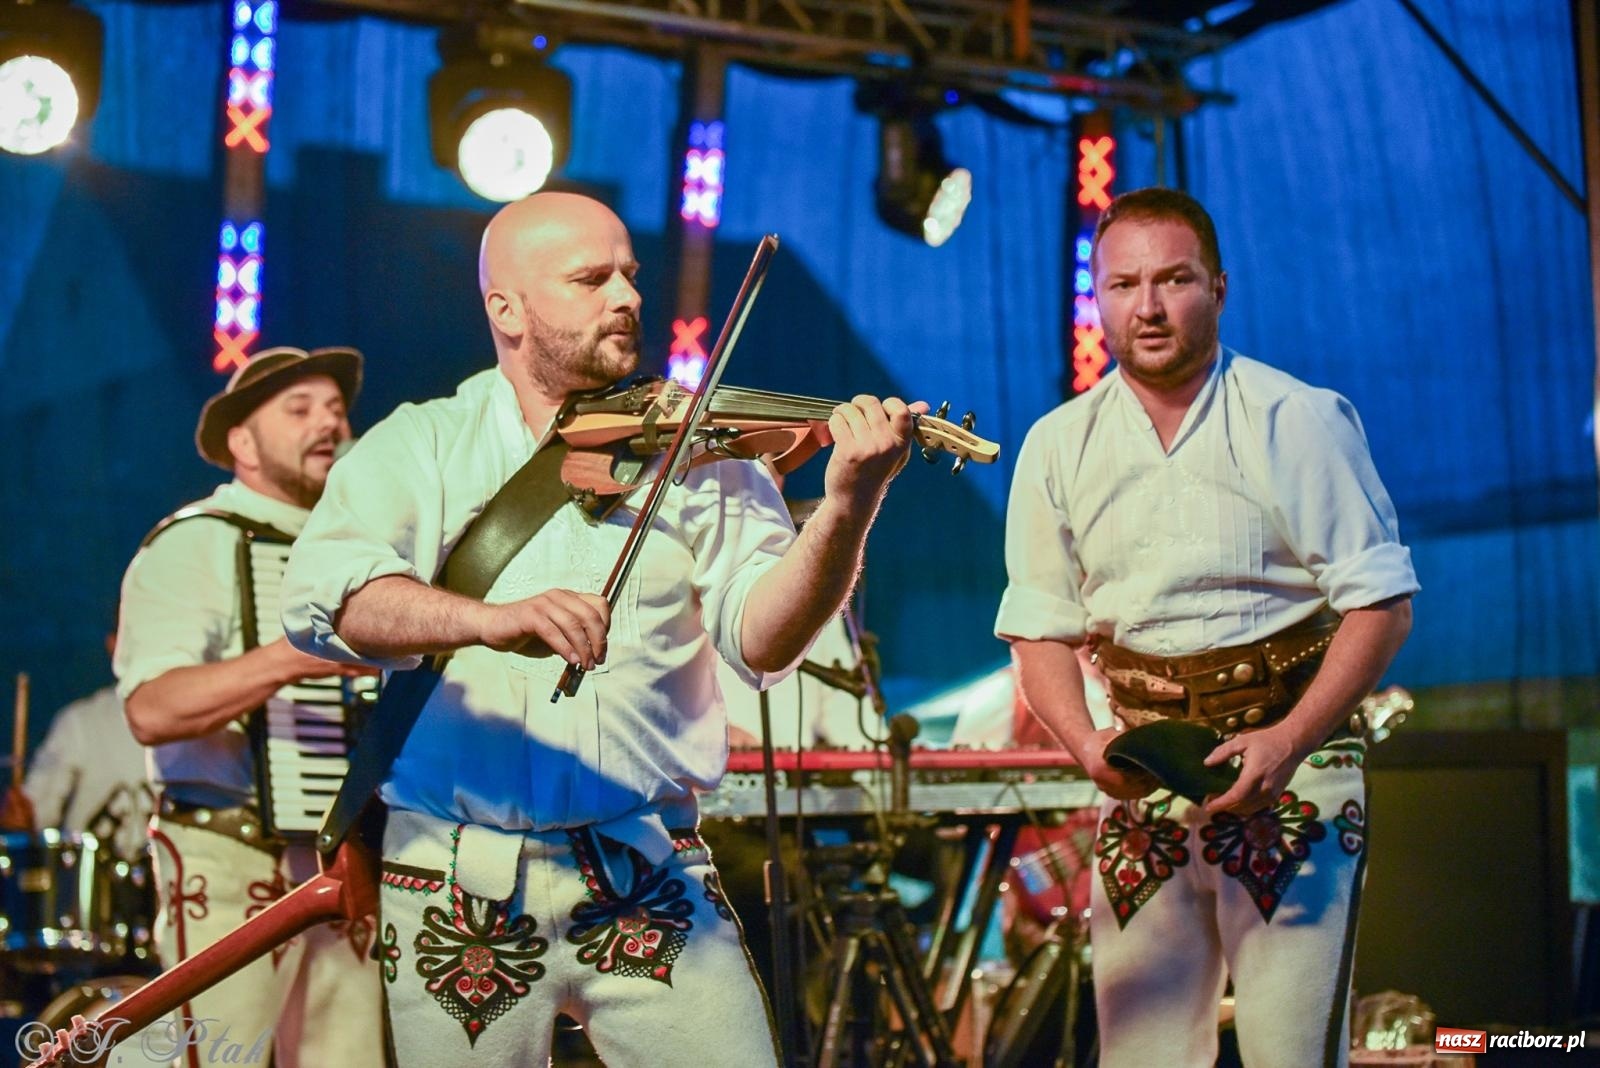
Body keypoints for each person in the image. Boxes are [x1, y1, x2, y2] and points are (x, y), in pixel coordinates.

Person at [281, 192, 924, 1067]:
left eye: (630, 274)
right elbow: (327, 600)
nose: (626, 296)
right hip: (453, 878)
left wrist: (849, 504)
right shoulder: (422, 444)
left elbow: (763, 642)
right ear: (507, 309)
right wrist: (485, 620)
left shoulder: (697, 450)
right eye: (590, 280)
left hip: (648, 866)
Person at [995, 187, 1417, 1068]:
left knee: (1290, 1055)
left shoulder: (1296, 417)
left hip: (1292, 772)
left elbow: (1381, 604)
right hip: (1142, 782)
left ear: (1218, 288)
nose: (1146, 306)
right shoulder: (1057, 443)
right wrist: (1085, 744)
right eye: (1123, 285)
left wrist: (1291, 740)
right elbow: (1038, 627)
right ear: (1099, 298)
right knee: (1139, 1056)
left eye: (1173, 279)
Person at [113, 347, 387, 1068]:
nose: (329, 424)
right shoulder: (194, 541)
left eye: (336, 411)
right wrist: (295, 655)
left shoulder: (358, 553)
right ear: (243, 442)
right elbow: (152, 710)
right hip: (229, 857)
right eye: (299, 410)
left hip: (342, 863)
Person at [0, 633, 152, 862]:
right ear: (113, 644)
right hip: (89, 875)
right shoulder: (80, 722)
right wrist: (22, 817)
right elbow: (37, 811)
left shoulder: (200, 725)